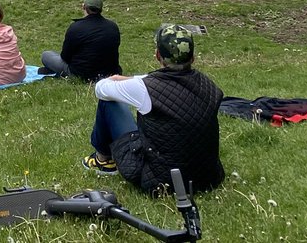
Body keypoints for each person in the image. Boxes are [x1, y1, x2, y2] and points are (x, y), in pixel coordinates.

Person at [81, 24, 224, 196]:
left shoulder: (145, 88)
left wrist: (115, 80)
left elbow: (100, 89)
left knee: (108, 101)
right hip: (208, 177)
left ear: (158, 55)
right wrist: (131, 79)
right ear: (193, 57)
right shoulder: (209, 86)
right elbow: (170, 84)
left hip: (161, 180)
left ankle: (102, 160)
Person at [40, 0, 121, 81]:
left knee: (46, 55)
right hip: (109, 73)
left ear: (84, 7)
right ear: (101, 9)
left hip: (81, 74)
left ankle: (52, 70)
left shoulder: (76, 27)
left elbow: (65, 57)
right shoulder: (113, 27)